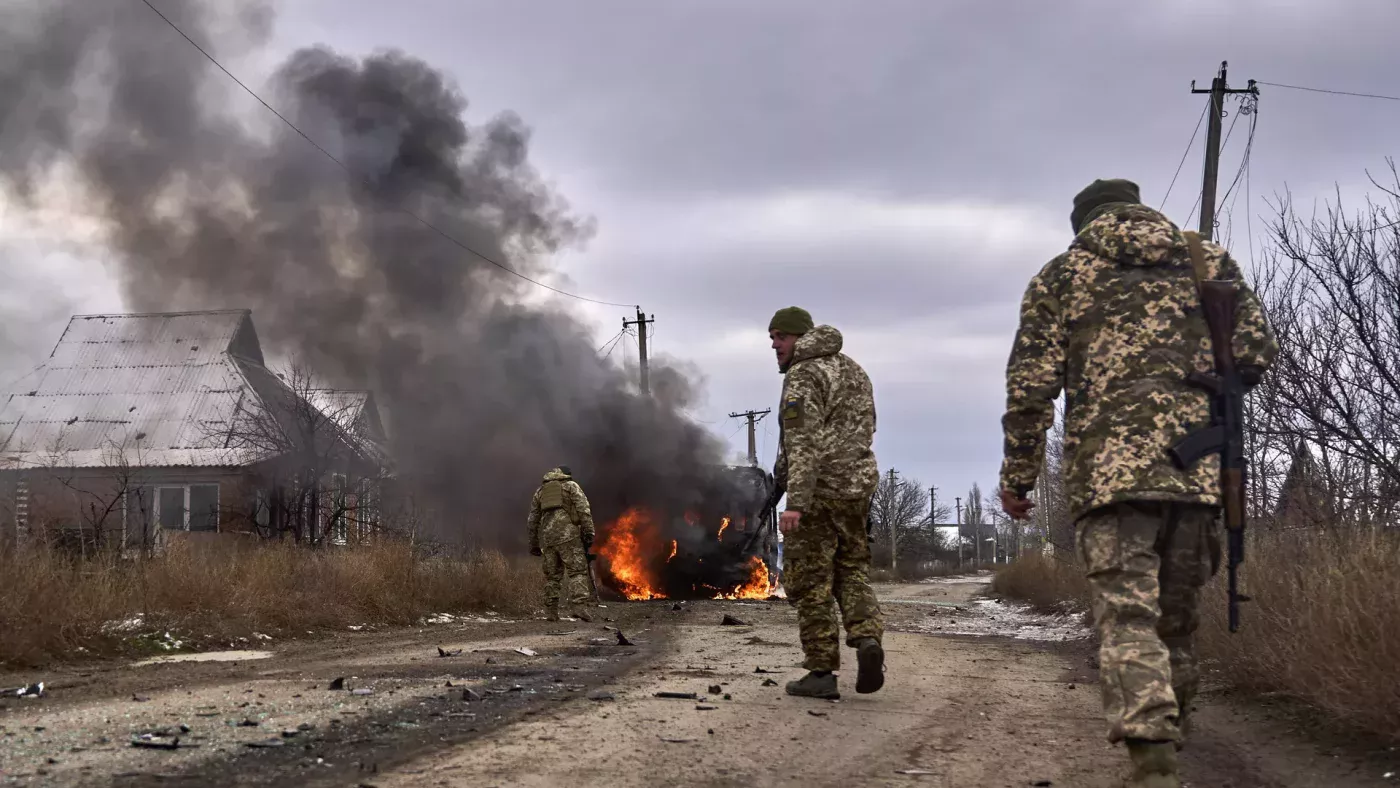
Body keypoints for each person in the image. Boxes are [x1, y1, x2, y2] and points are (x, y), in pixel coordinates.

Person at [997, 179, 1277, 788]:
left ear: (1083, 224)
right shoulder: (1206, 260)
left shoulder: (1061, 275)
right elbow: (1255, 352)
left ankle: (1153, 760)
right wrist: (1196, 389)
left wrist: (1018, 475)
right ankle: (1175, 737)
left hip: (1110, 481)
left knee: (1128, 618)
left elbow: (1030, 389)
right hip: (1197, 475)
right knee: (1177, 624)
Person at [768, 306, 884, 700]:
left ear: (800, 337)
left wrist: (794, 501)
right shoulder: (853, 370)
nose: (774, 343)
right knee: (851, 570)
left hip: (817, 493)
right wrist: (776, 483)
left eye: (780, 336)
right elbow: (865, 429)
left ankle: (821, 672)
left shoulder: (804, 374)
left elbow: (802, 444)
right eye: (772, 337)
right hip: (857, 490)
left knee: (810, 582)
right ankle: (867, 638)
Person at [526, 465, 596, 623]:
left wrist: (534, 543)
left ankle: (551, 611)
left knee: (552, 576)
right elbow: (584, 510)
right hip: (568, 536)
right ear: (566, 475)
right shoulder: (571, 486)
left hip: (548, 539)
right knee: (577, 571)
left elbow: (532, 520)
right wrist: (589, 532)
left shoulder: (541, 491)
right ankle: (578, 607)